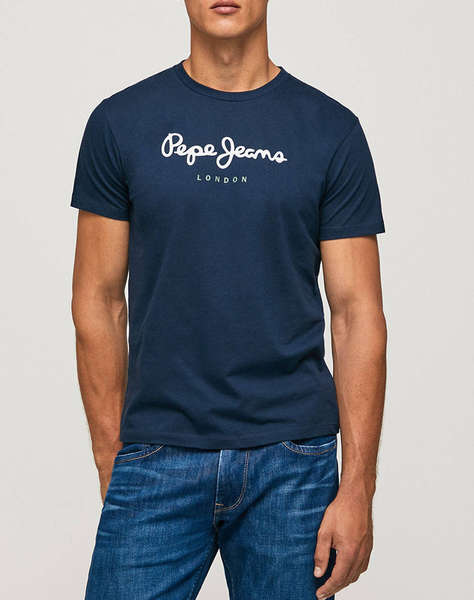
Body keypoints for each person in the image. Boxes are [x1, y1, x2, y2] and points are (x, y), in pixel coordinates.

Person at [71, 1, 386, 598]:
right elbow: (98, 300)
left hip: (292, 464)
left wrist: (358, 487)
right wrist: (113, 457)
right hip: (156, 453)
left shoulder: (330, 129)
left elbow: (357, 314)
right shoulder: (120, 122)